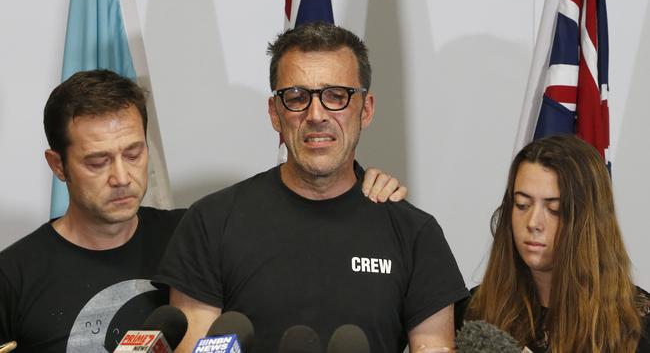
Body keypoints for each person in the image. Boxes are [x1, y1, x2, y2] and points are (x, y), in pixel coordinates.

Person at [0, 69, 405, 353]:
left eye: (133, 152)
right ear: (58, 165)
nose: (121, 176)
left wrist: (359, 190)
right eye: (97, 162)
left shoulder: (200, 229)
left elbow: (304, 223)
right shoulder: (14, 275)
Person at [155, 22, 468, 353]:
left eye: (336, 96)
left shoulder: (414, 233)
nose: (316, 114)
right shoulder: (212, 221)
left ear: (367, 110)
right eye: (297, 97)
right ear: (275, 113)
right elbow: (193, 344)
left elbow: (433, 348)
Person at [455, 135, 650, 352]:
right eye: (522, 205)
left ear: (588, 223)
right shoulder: (477, 311)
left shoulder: (637, 323)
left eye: (554, 209)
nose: (533, 223)